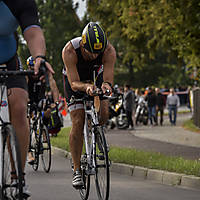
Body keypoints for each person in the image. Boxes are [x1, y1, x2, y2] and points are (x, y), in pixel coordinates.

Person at [0, 0, 54, 198]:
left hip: (7, 59)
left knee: (19, 107)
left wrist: (39, 56)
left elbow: (33, 32)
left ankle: (18, 177)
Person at [62, 22, 116, 189]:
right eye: (90, 52)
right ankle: (77, 170)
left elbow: (107, 78)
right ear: (83, 44)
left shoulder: (108, 51)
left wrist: (106, 86)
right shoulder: (70, 50)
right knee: (78, 120)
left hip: (95, 76)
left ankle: (97, 134)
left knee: (104, 111)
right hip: (76, 81)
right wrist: (86, 87)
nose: (94, 56)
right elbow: (73, 83)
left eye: (97, 53)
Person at [26, 56, 59, 164]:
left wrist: (56, 101)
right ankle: (29, 153)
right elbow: (23, 89)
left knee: (48, 111)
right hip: (29, 98)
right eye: (31, 68)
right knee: (27, 125)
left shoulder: (45, 74)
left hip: (40, 98)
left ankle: (44, 129)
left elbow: (53, 87)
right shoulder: (27, 75)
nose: (34, 71)